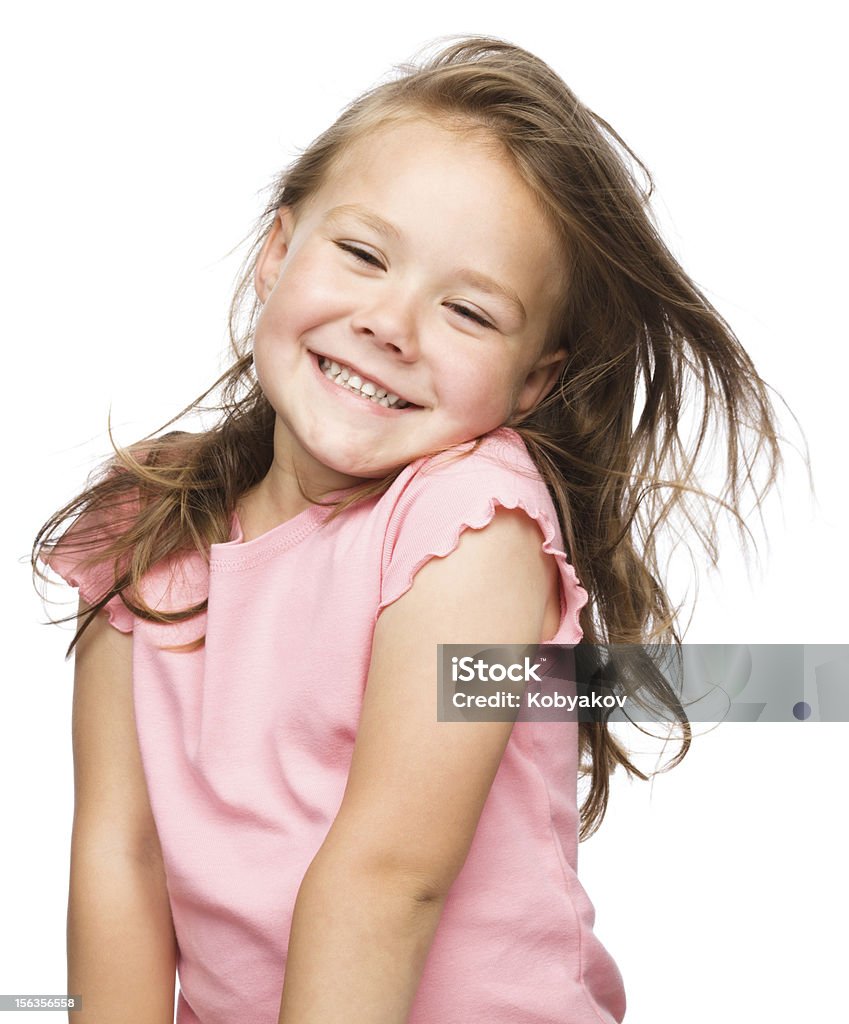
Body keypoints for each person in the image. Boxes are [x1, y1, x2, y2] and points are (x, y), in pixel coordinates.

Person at [33, 35, 782, 1024]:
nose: (393, 323)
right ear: (277, 249)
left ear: (532, 380)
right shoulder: (143, 529)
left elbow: (390, 877)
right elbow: (118, 856)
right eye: (362, 254)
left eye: (468, 311)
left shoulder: (468, 523)